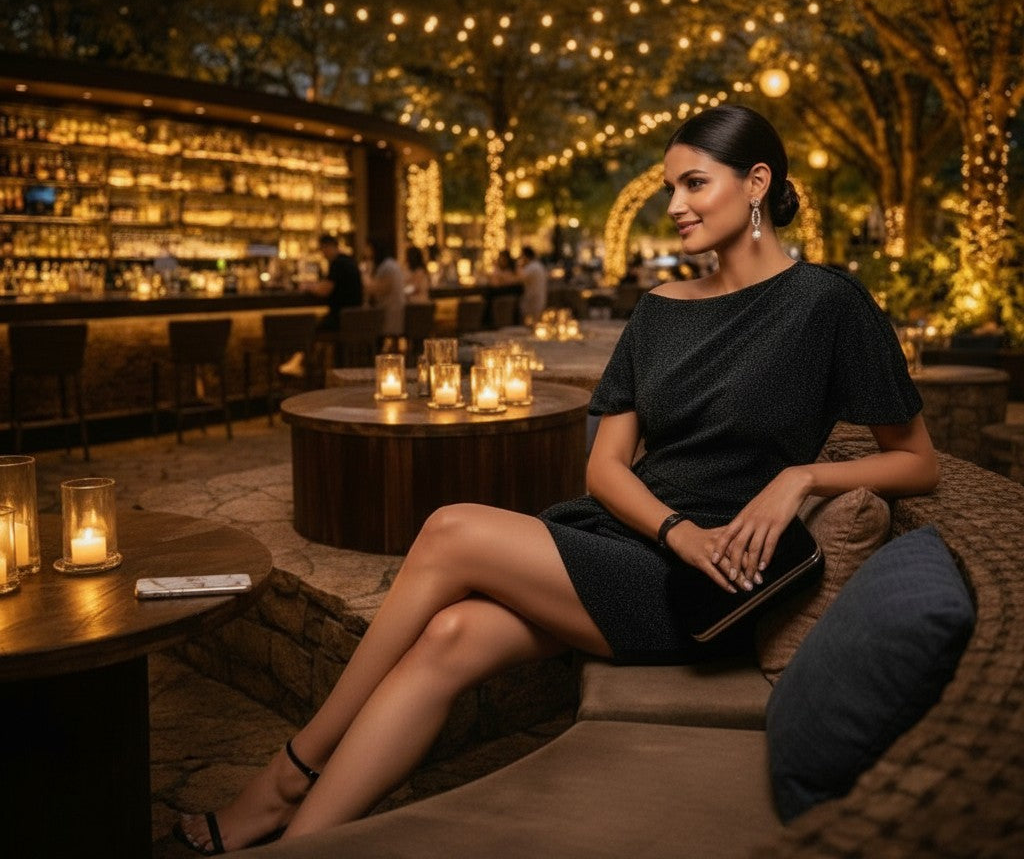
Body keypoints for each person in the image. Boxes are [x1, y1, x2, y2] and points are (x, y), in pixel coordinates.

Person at [175, 104, 938, 854]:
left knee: (449, 528)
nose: (674, 205)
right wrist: (670, 525)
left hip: (700, 585)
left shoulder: (827, 304)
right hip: (634, 537)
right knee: (450, 636)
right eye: (670, 187)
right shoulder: (659, 310)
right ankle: (300, 843)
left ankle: (290, 770)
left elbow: (918, 461)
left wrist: (799, 479)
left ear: (757, 182)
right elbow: (604, 468)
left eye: (694, 184)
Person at [279, 234, 362, 376]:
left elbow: (324, 291)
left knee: (309, 328)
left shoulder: (337, 263)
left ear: (328, 247)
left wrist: (308, 287)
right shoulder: (349, 261)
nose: (322, 254)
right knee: (314, 327)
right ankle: (308, 364)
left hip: (340, 319)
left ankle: (304, 365)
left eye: (323, 249)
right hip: (354, 318)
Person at [365, 238, 406, 348]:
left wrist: (366, 280)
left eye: (368, 248)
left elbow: (381, 289)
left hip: (390, 313)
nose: (366, 251)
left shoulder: (388, 266)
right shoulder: (389, 265)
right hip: (391, 312)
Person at [518, 245, 548, 324]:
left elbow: (519, 278)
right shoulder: (538, 265)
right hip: (538, 297)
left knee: (531, 322)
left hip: (532, 299)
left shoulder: (532, 267)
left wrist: (519, 265)